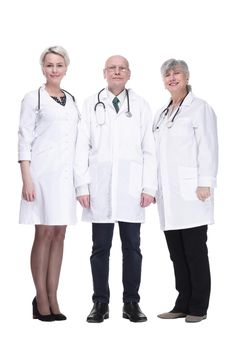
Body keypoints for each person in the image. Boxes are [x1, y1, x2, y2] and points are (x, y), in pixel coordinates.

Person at [75, 55, 156, 323]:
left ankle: (131, 303)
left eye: (122, 68)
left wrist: (148, 186)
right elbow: (81, 148)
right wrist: (82, 186)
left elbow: (149, 150)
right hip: (99, 189)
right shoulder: (90, 105)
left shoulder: (142, 106)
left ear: (129, 74)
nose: (117, 72)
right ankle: (100, 304)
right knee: (100, 249)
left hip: (132, 190)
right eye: (112, 68)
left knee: (132, 248)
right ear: (104, 73)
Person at [153, 58, 218, 323]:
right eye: (167, 74)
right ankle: (182, 302)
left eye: (177, 73)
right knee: (176, 253)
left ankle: (199, 306)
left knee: (194, 251)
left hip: (192, 192)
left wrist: (205, 182)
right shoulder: (162, 112)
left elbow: (209, 147)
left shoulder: (199, 108)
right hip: (168, 196)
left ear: (187, 76)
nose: (172, 77)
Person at [18, 46, 80, 321]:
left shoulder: (72, 99)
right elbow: (24, 140)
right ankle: (40, 298)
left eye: (59, 65)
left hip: (65, 178)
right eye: (49, 65)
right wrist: (27, 179)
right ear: (42, 68)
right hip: (41, 177)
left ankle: (54, 296)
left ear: (66, 68)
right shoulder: (33, 99)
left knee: (60, 235)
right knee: (43, 234)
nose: (54, 69)